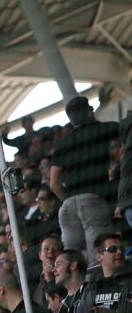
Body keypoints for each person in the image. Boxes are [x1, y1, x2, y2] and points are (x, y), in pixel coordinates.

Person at [50, 96, 119, 265]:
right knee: (98, 258)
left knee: (70, 261)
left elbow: (54, 184)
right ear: (89, 113)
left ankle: (72, 291)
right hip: (92, 201)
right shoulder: (102, 129)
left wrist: (71, 200)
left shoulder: (62, 143)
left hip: (67, 207)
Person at [77, 232, 132, 313]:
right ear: (99, 256)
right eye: (112, 249)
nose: (120, 252)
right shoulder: (90, 288)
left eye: (122, 248)